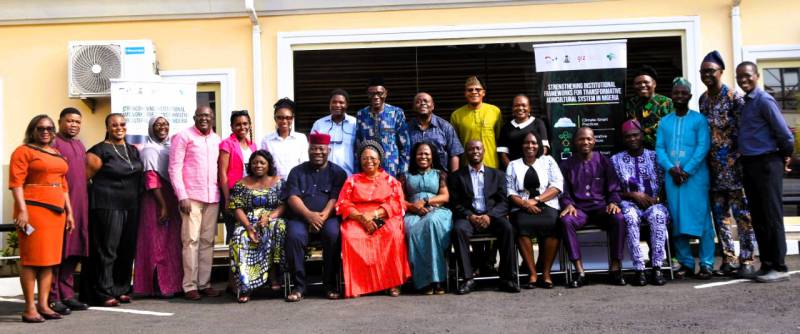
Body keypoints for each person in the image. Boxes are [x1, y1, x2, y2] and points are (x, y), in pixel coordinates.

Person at [10, 114, 75, 323]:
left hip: (56, 213)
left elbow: (63, 184)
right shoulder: (23, 152)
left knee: (49, 261)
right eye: (40, 128)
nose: (45, 132)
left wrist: (70, 212)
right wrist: (22, 211)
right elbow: (16, 183)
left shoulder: (56, 153)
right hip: (33, 211)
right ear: (32, 130)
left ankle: (44, 305)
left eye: (49, 128)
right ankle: (29, 308)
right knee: (31, 261)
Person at [736, 61, 795, 283]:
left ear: (757, 76)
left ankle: (779, 267)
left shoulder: (764, 100)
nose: (743, 80)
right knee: (759, 217)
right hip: (751, 165)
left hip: (768, 163)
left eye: (747, 75)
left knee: (772, 216)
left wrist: (784, 155)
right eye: (739, 76)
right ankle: (767, 263)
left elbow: (786, 135)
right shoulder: (746, 103)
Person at [698, 51, 756, 278]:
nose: (707, 75)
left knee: (743, 216)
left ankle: (748, 259)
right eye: (703, 72)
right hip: (713, 169)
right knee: (720, 217)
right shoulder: (703, 99)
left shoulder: (734, 97)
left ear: (721, 71)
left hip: (735, 168)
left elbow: (747, 130)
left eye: (711, 71)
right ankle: (729, 259)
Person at [655, 77, 714, 280]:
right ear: (671, 96)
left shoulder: (699, 120)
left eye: (683, 93)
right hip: (673, 178)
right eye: (676, 92)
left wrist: (687, 170)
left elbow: (703, 147)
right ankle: (686, 263)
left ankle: (706, 263)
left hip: (695, 178)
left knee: (703, 220)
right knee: (677, 219)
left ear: (689, 96)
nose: (679, 96)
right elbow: (660, 149)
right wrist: (671, 169)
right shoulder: (665, 122)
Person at [336, 140, 411, 297]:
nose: (368, 161)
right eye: (364, 158)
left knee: (393, 235)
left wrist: (375, 214)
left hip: (383, 216)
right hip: (357, 217)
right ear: (360, 160)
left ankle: (392, 283)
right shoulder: (352, 180)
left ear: (380, 160)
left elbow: (398, 203)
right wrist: (361, 218)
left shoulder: (390, 181)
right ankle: (359, 286)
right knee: (351, 236)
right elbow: (343, 203)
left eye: (372, 158)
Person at [85, 113, 143, 305]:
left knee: (126, 249)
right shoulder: (98, 150)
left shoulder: (132, 150)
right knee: (107, 250)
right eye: (114, 125)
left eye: (122, 124)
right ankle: (103, 291)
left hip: (130, 207)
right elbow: (84, 180)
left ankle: (121, 288)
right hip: (107, 206)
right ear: (107, 127)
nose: (119, 128)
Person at [282, 132, 347, 302]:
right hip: (301, 218)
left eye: (321, 149)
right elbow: (292, 197)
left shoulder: (338, 173)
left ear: (329, 150)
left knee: (333, 234)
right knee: (294, 236)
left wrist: (322, 216)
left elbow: (336, 197)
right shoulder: (296, 172)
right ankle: (299, 286)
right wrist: (309, 216)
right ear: (308, 150)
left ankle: (330, 284)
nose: (318, 152)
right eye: (314, 149)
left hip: (328, 217)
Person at [448, 140, 519, 294]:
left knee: (507, 228)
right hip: (468, 218)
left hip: (491, 217)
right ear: (466, 153)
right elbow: (455, 203)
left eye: (478, 148)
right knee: (458, 230)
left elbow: (504, 201)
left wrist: (490, 216)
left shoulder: (497, 174)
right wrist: (470, 216)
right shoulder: (456, 176)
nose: (475, 151)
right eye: (471, 149)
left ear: (484, 151)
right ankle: (468, 279)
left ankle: (507, 278)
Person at [559, 127, 626, 288]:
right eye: (581, 139)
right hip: (579, 210)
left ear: (594, 141)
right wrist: (568, 204)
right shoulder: (566, 165)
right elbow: (563, 190)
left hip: (601, 208)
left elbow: (614, 187)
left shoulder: (604, 161)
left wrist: (613, 202)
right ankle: (580, 272)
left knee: (619, 218)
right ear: (575, 142)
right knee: (566, 221)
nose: (585, 142)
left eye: (589, 139)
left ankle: (616, 269)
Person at [169, 105, 222, 300]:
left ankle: (204, 283)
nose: (204, 119)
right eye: (200, 115)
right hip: (190, 197)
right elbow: (174, 168)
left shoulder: (217, 139)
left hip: (213, 197)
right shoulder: (183, 136)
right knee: (190, 241)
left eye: (207, 115)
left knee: (208, 241)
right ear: (194, 117)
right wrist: (181, 195)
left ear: (213, 117)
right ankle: (189, 285)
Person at [611, 119, 669, 286]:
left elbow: (666, 184)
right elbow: (613, 189)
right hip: (629, 204)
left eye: (635, 135)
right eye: (628, 137)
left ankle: (657, 267)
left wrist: (658, 199)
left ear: (642, 135)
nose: (632, 139)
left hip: (655, 204)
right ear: (623, 139)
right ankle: (639, 269)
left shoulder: (656, 157)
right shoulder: (616, 160)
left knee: (658, 215)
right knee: (629, 216)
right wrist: (633, 195)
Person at [133, 116, 182, 298]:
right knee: (155, 243)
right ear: (150, 128)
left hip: (171, 197)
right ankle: (155, 286)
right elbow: (151, 179)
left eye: (165, 124)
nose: (162, 127)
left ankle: (172, 283)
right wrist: (162, 205)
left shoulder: (170, 148)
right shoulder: (149, 150)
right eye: (157, 125)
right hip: (156, 200)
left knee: (171, 243)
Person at [228, 150, 287, 303]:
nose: (258, 165)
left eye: (262, 162)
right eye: (255, 163)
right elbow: (236, 207)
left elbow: (283, 205)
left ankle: (274, 275)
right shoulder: (241, 184)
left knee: (278, 227)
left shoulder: (278, 181)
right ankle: (245, 285)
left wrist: (269, 217)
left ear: (269, 165)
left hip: (271, 218)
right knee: (239, 236)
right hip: (248, 221)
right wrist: (248, 226)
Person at [506, 132, 562, 289]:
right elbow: (510, 191)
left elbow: (557, 185)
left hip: (547, 204)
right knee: (520, 225)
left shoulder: (548, 161)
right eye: (526, 143)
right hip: (522, 206)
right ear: (521, 146)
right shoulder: (513, 165)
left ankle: (546, 273)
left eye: (534, 143)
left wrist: (537, 200)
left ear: (539, 146)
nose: (530, 146)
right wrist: (525, 204)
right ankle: (532, 273)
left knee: (553, 223)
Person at [49, 108, 89, 314]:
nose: (73, 125)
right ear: (60, 121)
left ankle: (68, 294)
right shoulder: (53, 144)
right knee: (59, 252)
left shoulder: (80, 145)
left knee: (74, 251)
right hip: (61, 206)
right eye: (69, 121)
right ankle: (53, 296)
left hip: (80, 204)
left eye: (77, 122)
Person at [399, 141, 452, 294]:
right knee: (410, 228)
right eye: (420, 153)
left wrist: (427, 201)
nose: (423, 156)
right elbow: (400, 199)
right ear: (414, 156)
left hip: (436, 210)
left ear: (432, 156)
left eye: (427, 154)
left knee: (431, 223)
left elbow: (445, 196)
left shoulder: (439, 174)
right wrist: (412, 206)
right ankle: (424, 281)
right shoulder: (405, 176)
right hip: (413, 212)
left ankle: (438, 279)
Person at [355, 77, 411, 177]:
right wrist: (357, 171)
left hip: (390, 168)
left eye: (379, 93)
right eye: (372, 94)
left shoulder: (396, 113)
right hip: (368, 168)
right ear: (368, 94)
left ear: (385, 93)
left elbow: (405, 146)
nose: (376, 97)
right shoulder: (361, 114)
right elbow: (358, 145)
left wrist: (403, 172)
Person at [219, 110, 257, 242]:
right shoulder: (227, 144)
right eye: (238, 124)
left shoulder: (253, 146)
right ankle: (233, 261)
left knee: (250, 229)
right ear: (232, 127)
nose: (242, 127)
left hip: (250, 193)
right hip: (232, 192)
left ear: (249, 125)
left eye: (245, 124)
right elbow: (222, 172)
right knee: (234, 231)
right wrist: (227, 198)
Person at [450, 76, 503, 169]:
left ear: (484, 93)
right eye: (470, 90)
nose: (474, 92)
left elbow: (500, 139)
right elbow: (455, 147)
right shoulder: (456, 115)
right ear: (465, 93)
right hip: (467, 167)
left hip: (491, 165)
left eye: (478, 89)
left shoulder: (495, 111)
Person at [407, 92, 464, 172]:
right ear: (414, 107)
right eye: (418, 101)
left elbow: (454, 153)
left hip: (441, 179)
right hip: (413, 178)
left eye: (426, 101)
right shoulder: (407, 128)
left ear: (433, 106)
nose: (423, 103)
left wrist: (454, 178)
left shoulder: (445, 127)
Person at [625, 65, 674, 149]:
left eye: (646, 82)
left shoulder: (667, 103)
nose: (642, 85)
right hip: (638, 153)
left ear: (654, 84)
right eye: (638, 83)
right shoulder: (631, 104)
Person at [311, 89, 357, 176]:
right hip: (323, 176)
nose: (337, 105)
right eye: (334, 102)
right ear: (329, 104)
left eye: (341, 102)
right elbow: (312, 150)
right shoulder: (319, 124)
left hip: (349, 176)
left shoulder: (355, 123)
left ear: (347, 105)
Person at [498, 94, 550, 170]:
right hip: (514, 170)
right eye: (517, 105)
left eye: (524, 105)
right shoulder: (506, 127)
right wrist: (512, 169)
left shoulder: (538, 123)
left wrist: (532, 167)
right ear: (512, 108)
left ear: (529, 108)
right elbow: (502, 153)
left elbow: (544, 149)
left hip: (535, 169)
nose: (520, 108)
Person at [260, 98, 308, 180]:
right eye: (280, 117)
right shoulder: (267, 140)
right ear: (275, 118)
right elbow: (264, 165)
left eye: (288, 117)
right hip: (274, 185)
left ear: (292, 119)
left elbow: (304, 164)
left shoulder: (301, 138)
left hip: (296, 184)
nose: (284, 121)